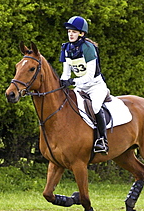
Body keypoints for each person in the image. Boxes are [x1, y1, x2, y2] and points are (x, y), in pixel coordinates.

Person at [59, 16, 109, 154]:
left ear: (81, 33)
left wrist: (73, 82)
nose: (70, 34)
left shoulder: (88, 48)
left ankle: (102, 140)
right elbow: (66, 73)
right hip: (80, 86)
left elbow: (89, 76)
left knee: (95, 106)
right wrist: (63, 83)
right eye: (69, 31)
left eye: (74, 32)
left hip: (95, 85)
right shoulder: (66, 48)